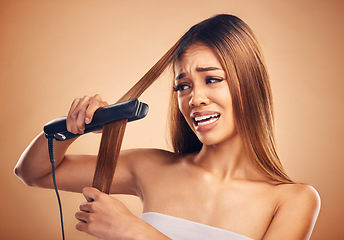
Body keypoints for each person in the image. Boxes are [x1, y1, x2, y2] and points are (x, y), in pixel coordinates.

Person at [15, 14, 320, 240]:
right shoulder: (149, 167)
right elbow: (35, 172)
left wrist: (136, 232)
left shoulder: (293, 201)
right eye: (182, 86)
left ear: (250, 84)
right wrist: (74, 128)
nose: (194, 98)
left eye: (211, 79)